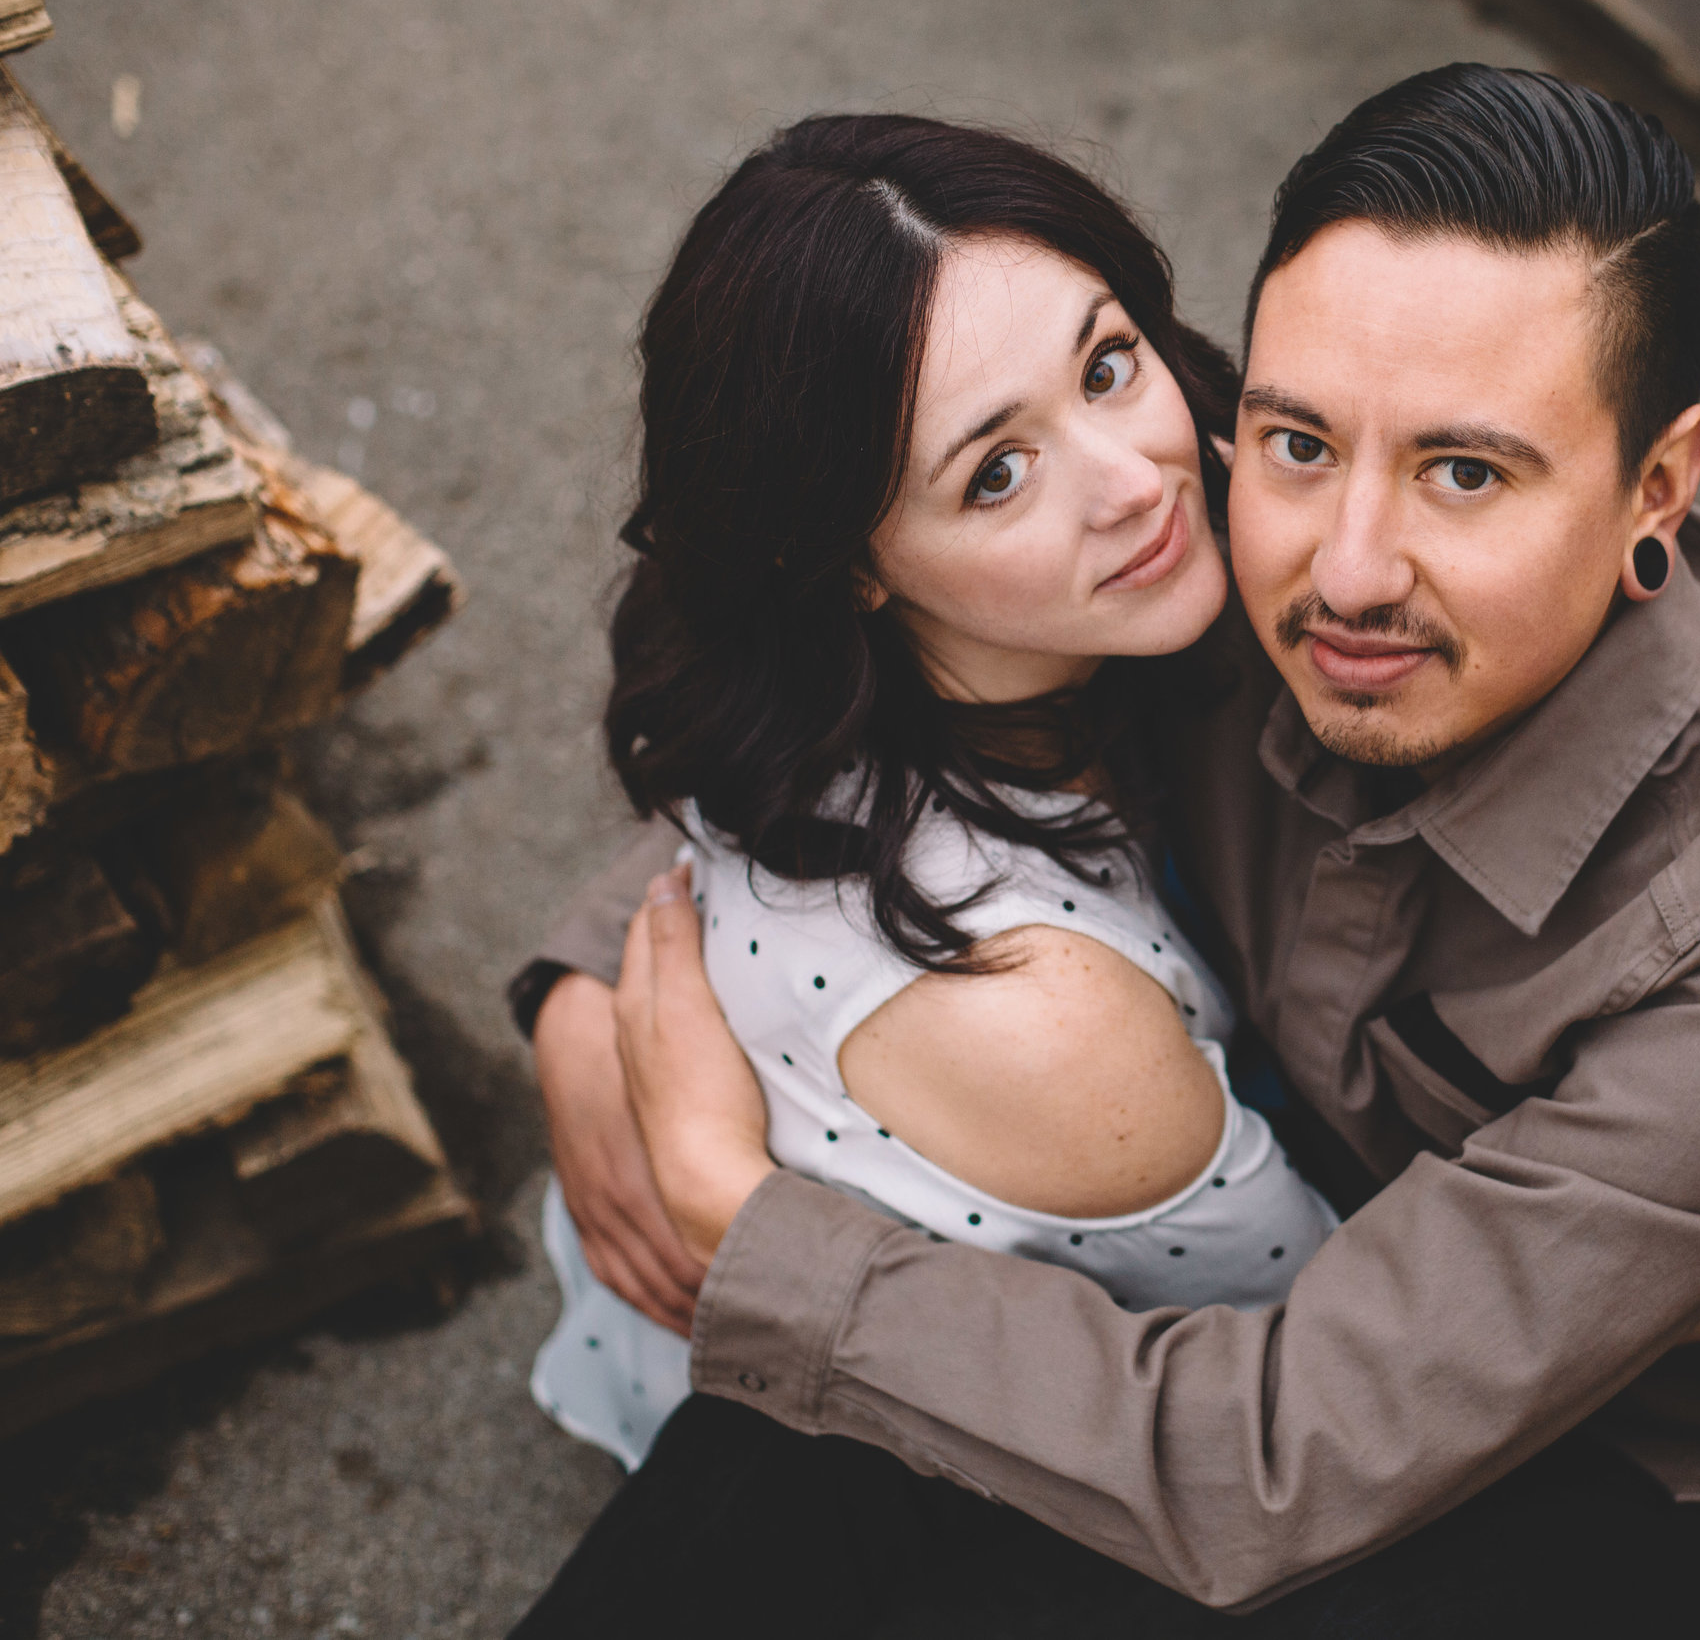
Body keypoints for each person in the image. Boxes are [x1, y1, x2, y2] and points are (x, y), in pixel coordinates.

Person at [514, 65, 1700, 1636]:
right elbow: (891, 661)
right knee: (810, 1435)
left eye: (1467, 473)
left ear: (1661, 485)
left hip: (1638, 1473)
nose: (1342, 571)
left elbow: (1271, 1458)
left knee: (896, 1401)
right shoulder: (1197, 501)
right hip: (1297, 1300)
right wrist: (594, 974)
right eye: (1296, 439)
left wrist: (745, 1226)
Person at [521, 112, 1339, 1472]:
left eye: (1108, 362)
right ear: (852, 566)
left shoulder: (892, 674)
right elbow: (1300, 1363)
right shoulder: (1046, 1019)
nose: (1139, 479)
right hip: (889, 1449)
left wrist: (563, 989)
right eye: (997, 473)